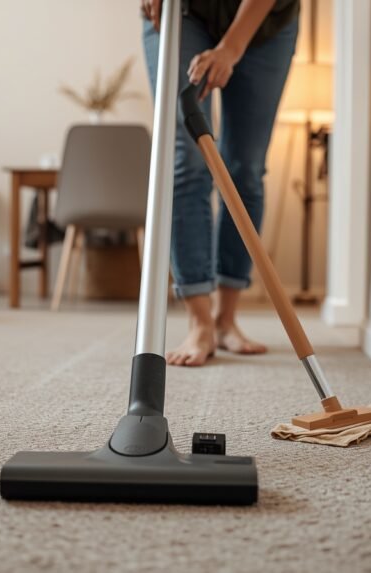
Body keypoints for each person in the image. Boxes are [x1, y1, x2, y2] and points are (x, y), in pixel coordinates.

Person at [142, 0, 298, 367]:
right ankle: (200, 321)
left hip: (265, 24)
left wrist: (231, 48)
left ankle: (226, 318)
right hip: (182, 11)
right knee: (187, 159)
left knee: (245, 169)